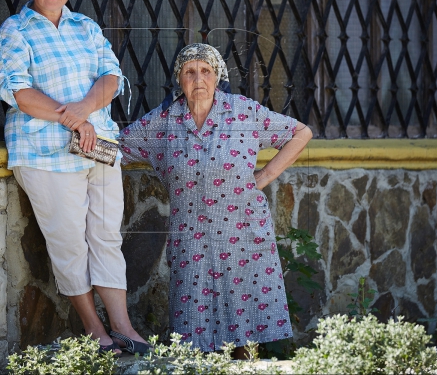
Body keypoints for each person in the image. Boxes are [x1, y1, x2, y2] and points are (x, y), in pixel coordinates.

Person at [0, 0, 148, 355]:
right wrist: (71, 118)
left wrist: (82, 111)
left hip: (98, 148)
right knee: (70, 243)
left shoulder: (86, 28)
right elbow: (19, 93)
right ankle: (95, 331)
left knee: (106, 237)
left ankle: (124, 327)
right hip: (45, 153)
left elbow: (111, 78)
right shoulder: (15, 31)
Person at [117, 43, 313, 357]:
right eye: (190, 72)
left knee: (243, 338)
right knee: (194, 340)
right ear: (179, 79)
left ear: (217, 75)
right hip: (191, 241)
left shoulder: (243, 111)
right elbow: (116, 149)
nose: (198, 79)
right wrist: (75, 139)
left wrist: (263, 177)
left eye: (206, 71)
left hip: (242, 234)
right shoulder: (164, 121)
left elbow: (301, 132)